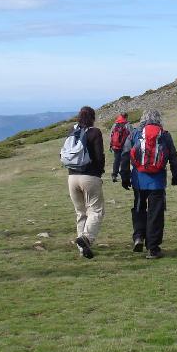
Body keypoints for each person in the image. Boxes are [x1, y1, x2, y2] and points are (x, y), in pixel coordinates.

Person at [119, 109, 177, 259]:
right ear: (159, 119)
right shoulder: (165, 135)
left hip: (139, 180)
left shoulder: (134, 134)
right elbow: (173, 156)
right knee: (155, 214)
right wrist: (175, 175)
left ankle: (139, 236)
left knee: (139, 208)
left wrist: (125, 176)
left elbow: (125, 155)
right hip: (157, 182)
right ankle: (153, 249)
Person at [67, 106, 106, 259]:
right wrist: (100, 171)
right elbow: (99, 155)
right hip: (90, 177)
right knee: (96, 210)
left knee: (80, 213)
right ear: (93, 117)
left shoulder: (73, 131)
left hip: (72, 177)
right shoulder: (95, 132)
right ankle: (87, 238)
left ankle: (82, 249)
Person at [108, 112, 133, 182]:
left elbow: (111, 135)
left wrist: (111, 145)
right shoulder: (127, 124)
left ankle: (114, 175)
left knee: (116, 160)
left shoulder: (115, 124)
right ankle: (124, 176)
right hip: (125, 146)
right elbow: (131, 135)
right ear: (126, 117)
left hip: (115, 146)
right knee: (125, 161)